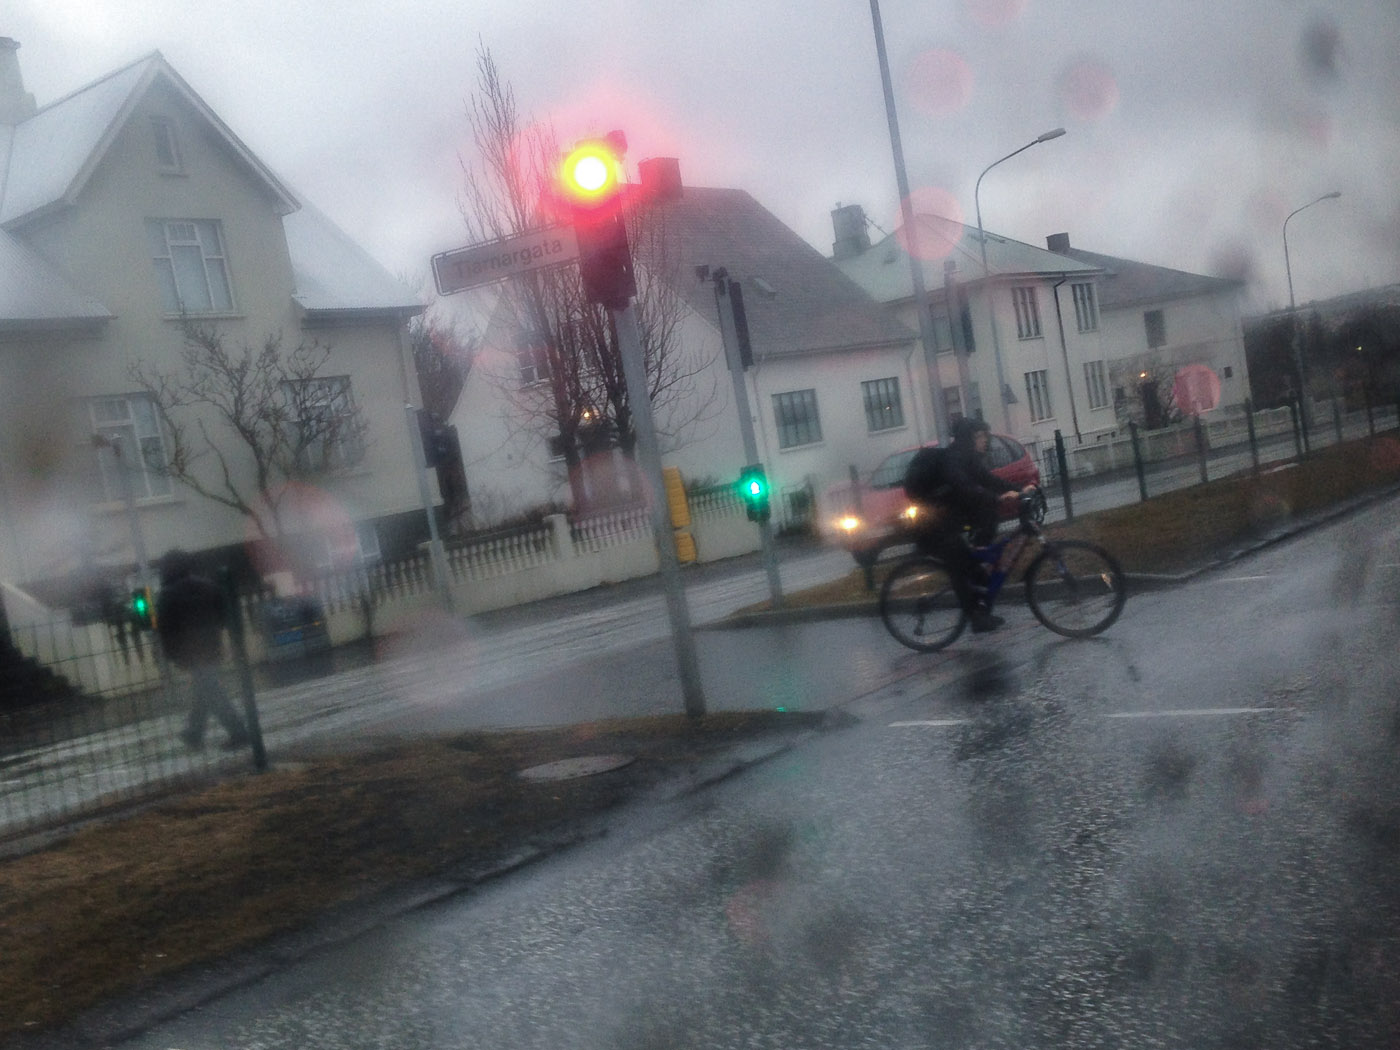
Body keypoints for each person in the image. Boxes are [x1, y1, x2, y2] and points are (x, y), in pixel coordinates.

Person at [912, 417, 1024, 633]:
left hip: (952, 522)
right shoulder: (952, 460)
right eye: (981, 436)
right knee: (960, 565)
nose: (985, 441)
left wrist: (1021, 489)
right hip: (932, 526)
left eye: (985, 436)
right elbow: (964, 487)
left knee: (977, 568)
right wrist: (997, 499)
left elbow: (989, 480)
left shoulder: (969, 459)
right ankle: (975, 618)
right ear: (968, 438)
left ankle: (981, 608)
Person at [155, 550, 249, 751]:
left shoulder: (167, 594)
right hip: (212, 646)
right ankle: (194, 732)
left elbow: (165, 629)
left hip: (188, 651)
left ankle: (239, 732)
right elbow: (225, 614)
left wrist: (171, 655)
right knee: (205, 688)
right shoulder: (208, 586)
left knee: (210, 690)